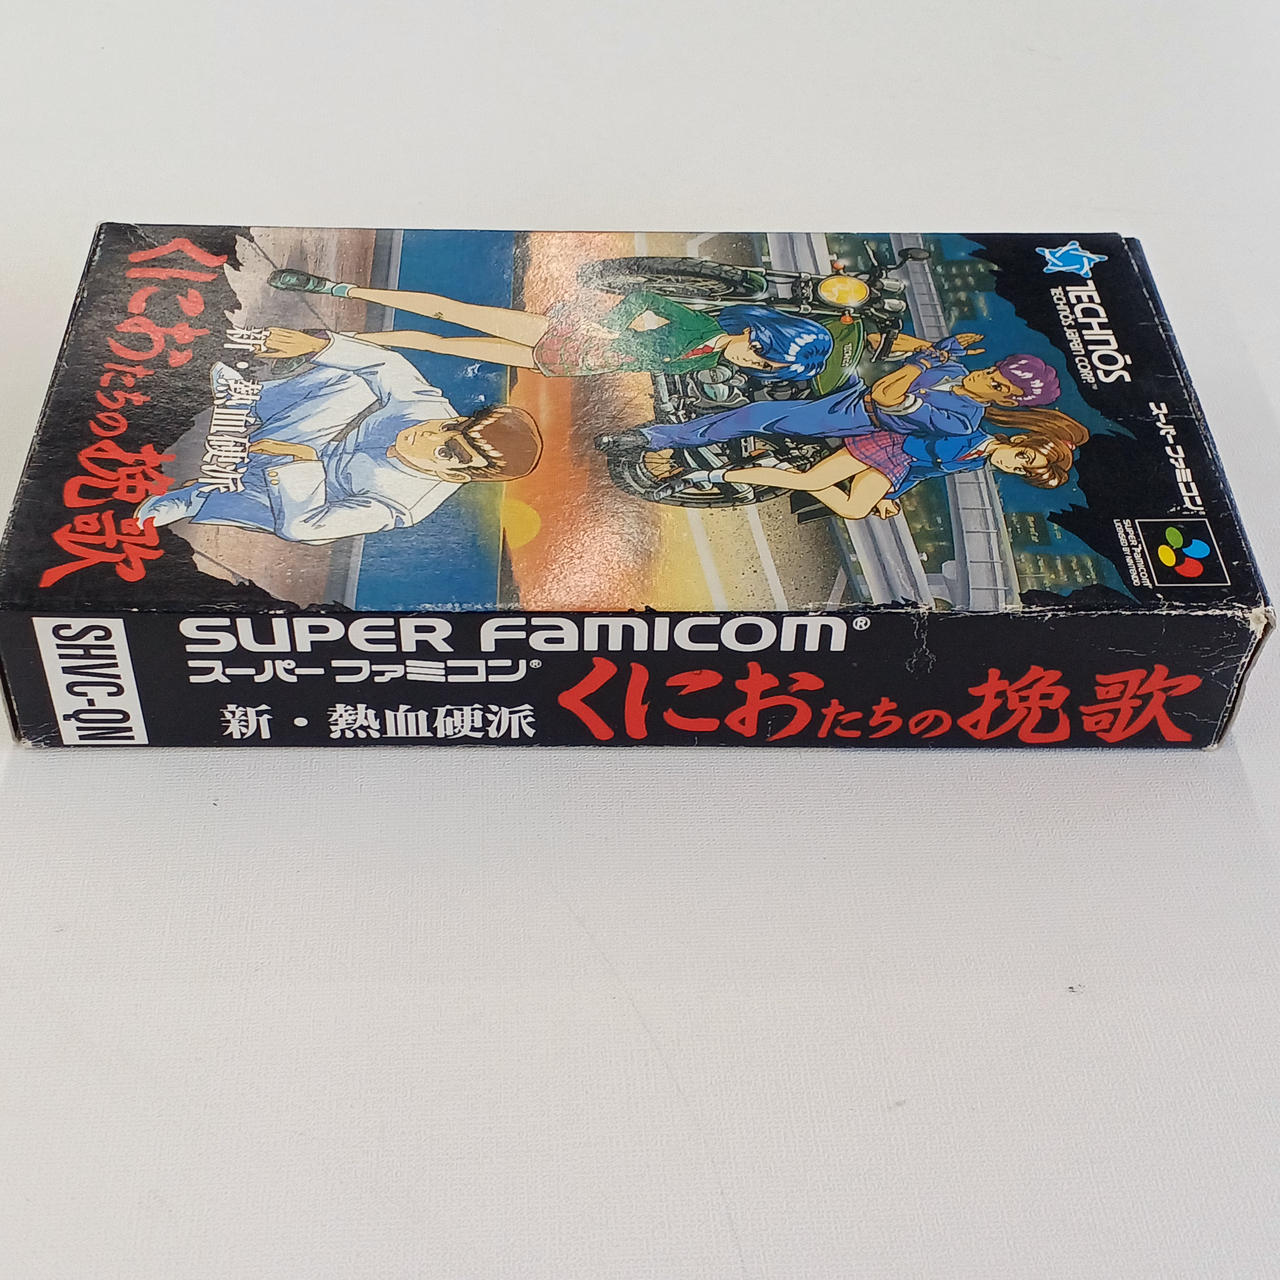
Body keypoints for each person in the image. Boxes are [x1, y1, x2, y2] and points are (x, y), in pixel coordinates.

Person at [608, 334, 1089, 519]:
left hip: (862, 420)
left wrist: (925, 361)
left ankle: (653, 439)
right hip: (862, 398)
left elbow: (889, 401)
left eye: (998, 384)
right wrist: (927, 349)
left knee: (759, 418)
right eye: (994, 371)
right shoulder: (955, 371)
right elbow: (888, 352)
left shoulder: (963, 424)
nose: (987, 378)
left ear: (1007, 401)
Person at [134, 331, 542, 544]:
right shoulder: (427, 411)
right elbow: (387, 364)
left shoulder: (405, 505)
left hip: (296, 490)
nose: (430, 432)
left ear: (454, 476)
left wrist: (304, 466)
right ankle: (249, 400)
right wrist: (317, 344)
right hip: (307, 437)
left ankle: (201, 497)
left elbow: (305, 528)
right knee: (357, 381)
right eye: (452, 425)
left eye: (448, 450)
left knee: (293, 522)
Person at [266, 268, 834, 381]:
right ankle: (336, 289)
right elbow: (640, 296)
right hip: (560, 335)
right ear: (756, 332)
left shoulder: (703, 362)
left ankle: (325, 343)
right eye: (760, 351)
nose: (752, 360)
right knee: (446, 311)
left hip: (559, 364)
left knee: (439, 344)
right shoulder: (697, 326)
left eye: (762, 366)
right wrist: (618, 324)